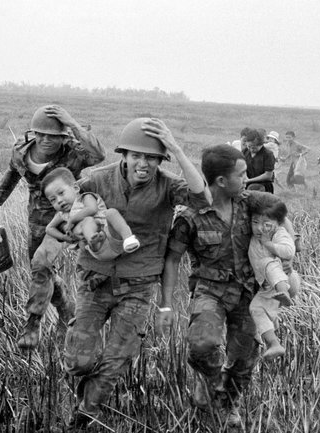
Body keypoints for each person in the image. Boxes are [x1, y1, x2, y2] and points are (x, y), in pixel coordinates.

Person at [62, 117, 209, 430]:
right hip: (95, 280)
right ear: (124, 156)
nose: (145, 163)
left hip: (138, 286)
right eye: (138, 156)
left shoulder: (169, 185)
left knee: (116, 360)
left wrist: (177, 150)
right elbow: (67, 204)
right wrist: (78, 223)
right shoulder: (98, 180)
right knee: (78, 361)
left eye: (153, 158)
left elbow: (201, 198)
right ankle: (83, 394)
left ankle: (84, 415)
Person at [160, 144, 296, 428]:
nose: (247, 179)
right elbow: (172, 260)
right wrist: (167, 304)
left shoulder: (252, 202)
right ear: (221, 180)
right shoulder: (190, 217)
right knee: (202, 344)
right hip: (210, 291)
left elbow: (282, 217)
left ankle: (229, 403)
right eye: (242, 174)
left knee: (244, 359)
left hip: (249, 291)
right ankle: (209, 380)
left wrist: (289, 258)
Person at [0, 105, 105, 349]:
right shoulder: (21, 151)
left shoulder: (73, 153)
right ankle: (66, 312)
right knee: (43, 271)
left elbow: (98, 155)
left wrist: (72, 122)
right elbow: (12, 174)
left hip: (66, 220)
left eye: (54, 136)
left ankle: (33, 322)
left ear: (63, 137)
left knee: (41, 263)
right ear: (34, 134)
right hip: (36, 221)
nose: (47, 140)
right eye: (42, 134)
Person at [41, 167, 140, 260]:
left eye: (61, 193)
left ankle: (128, 238)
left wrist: (72, 219)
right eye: (52, 200)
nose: (59, 201)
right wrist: (63, 237)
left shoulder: (85, 198)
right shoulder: (61, 214)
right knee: (88, 221)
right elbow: (49, 228)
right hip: (98, 249)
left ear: (75, 188)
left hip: (111, 236)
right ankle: (94, 240)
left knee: (111, 213)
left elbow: (92, 209)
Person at [248, 193, 300, 361]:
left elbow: (289, 250)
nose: (259, 228)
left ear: (276, 223)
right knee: (255, 309)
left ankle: (283, 291)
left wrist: (268, 244)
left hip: (284, 280)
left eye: (266, 224)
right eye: (255, 223)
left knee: (266, 263)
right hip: (266, 285)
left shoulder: (278, 233)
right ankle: (274, 344)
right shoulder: (256, 231)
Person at [243, 128, 275, 193]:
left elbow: (268, 175)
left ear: (261, 144)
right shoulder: (245, 152)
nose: (251, 149)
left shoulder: (268, 154)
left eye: (254, 147)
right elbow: (241, 167)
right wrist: (245, 176)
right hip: (247, 183)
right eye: (249, 146)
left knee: (253, 188)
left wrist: (249, 180)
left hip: (263, 186)